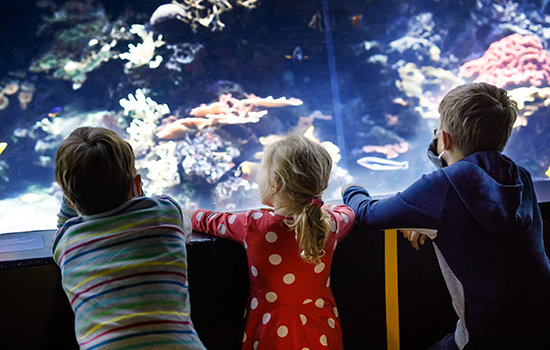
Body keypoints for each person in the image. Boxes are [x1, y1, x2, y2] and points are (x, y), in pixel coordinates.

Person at [342, 83, 550, 349]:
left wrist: (351, 189)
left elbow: (368, 215)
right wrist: (423, 220)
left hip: (487, 337)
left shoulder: (444, 186)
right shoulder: (521, 176)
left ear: (445, 139)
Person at [190, 134, 355, 350]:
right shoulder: (330, 224)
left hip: (271, 330)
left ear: (276, 184)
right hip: (320, 327)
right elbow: (348, 212)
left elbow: (203, 220)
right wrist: (320, 208)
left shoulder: (253, 224)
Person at [53, 127, 206, 350]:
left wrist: (72, 200)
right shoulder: (167, 213)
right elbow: (185, 229)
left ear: (70, 201)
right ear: (137, 185)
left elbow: (61, 226)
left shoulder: (66, 241)